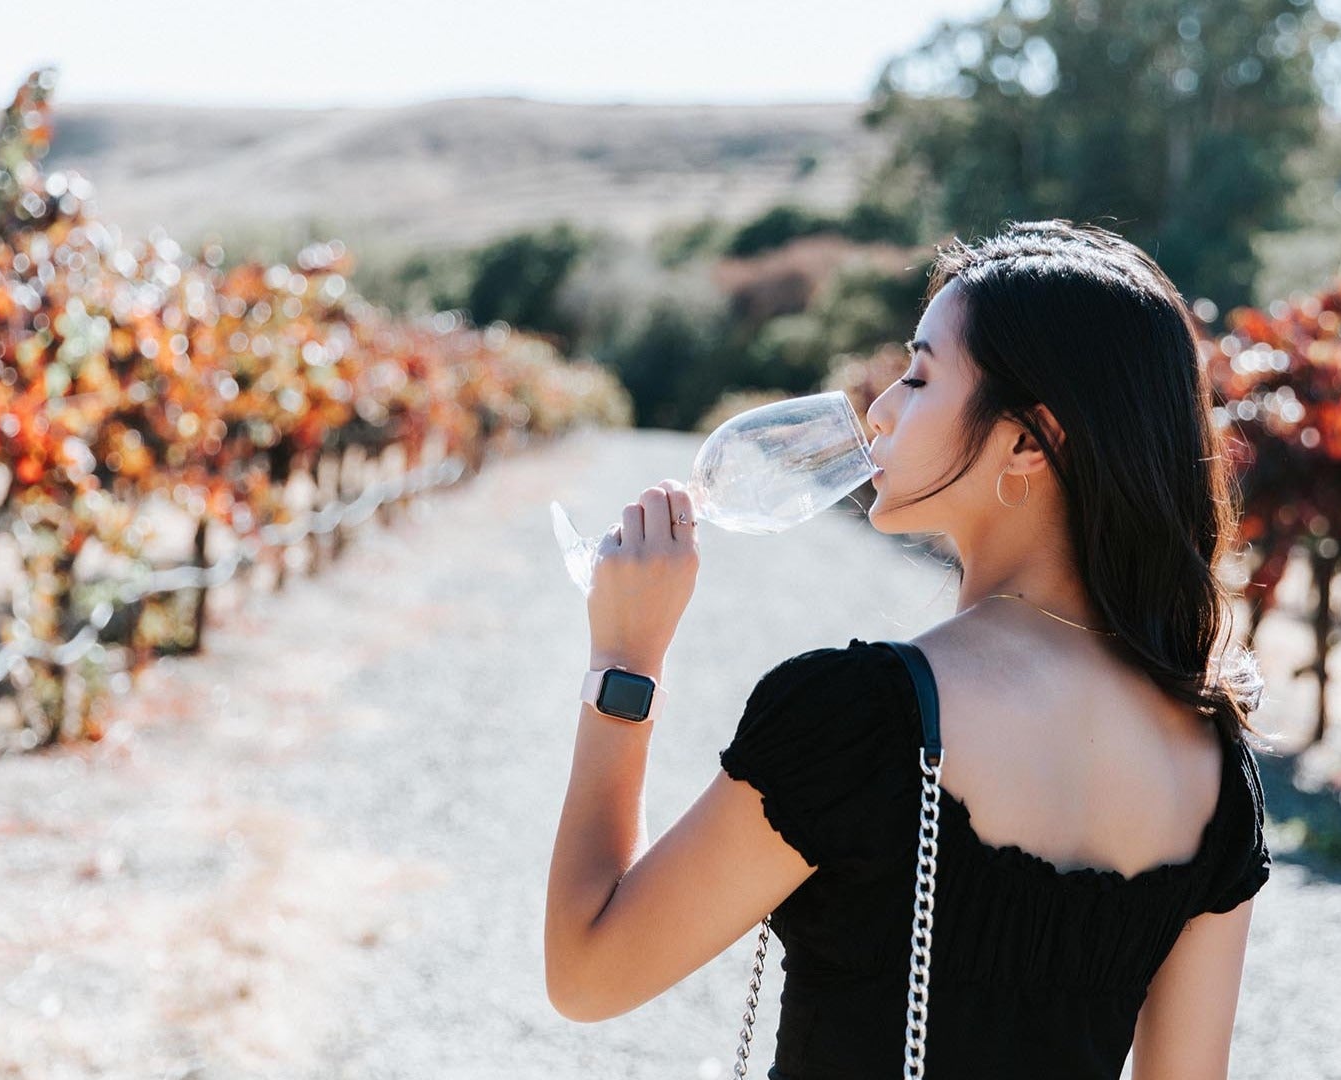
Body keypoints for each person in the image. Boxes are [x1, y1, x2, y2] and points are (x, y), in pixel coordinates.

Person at [545, 219, 1272, 1078]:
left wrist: (626, 661)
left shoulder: (860, 716)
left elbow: (589, 975)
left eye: (920, 376)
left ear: (1028, 440)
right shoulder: (1212, 763)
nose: (880, 408)